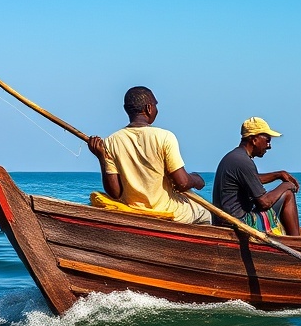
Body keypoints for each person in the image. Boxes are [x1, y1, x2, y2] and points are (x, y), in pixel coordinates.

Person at [87, 86, 211, 224]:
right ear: (148, 108)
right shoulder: (165, 137)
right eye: (155, 105)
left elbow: (115, 193)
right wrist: (197, 180)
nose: (157, 109)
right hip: (164, 211)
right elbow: (182, 183)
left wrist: (101, 158)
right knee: (206, 213)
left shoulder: (111, 141)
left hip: (133, 209)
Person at [212, 117, 301, 236]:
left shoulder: (235, 157)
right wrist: (286, 186)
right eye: (267, 140)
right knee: (288, 195)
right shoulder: (243, 162)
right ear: (254, 140)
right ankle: (297, 243)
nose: (269, 146)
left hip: (224, 222)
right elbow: (264, 203)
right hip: (238, 224)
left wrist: (278, 175)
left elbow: (252, 179)